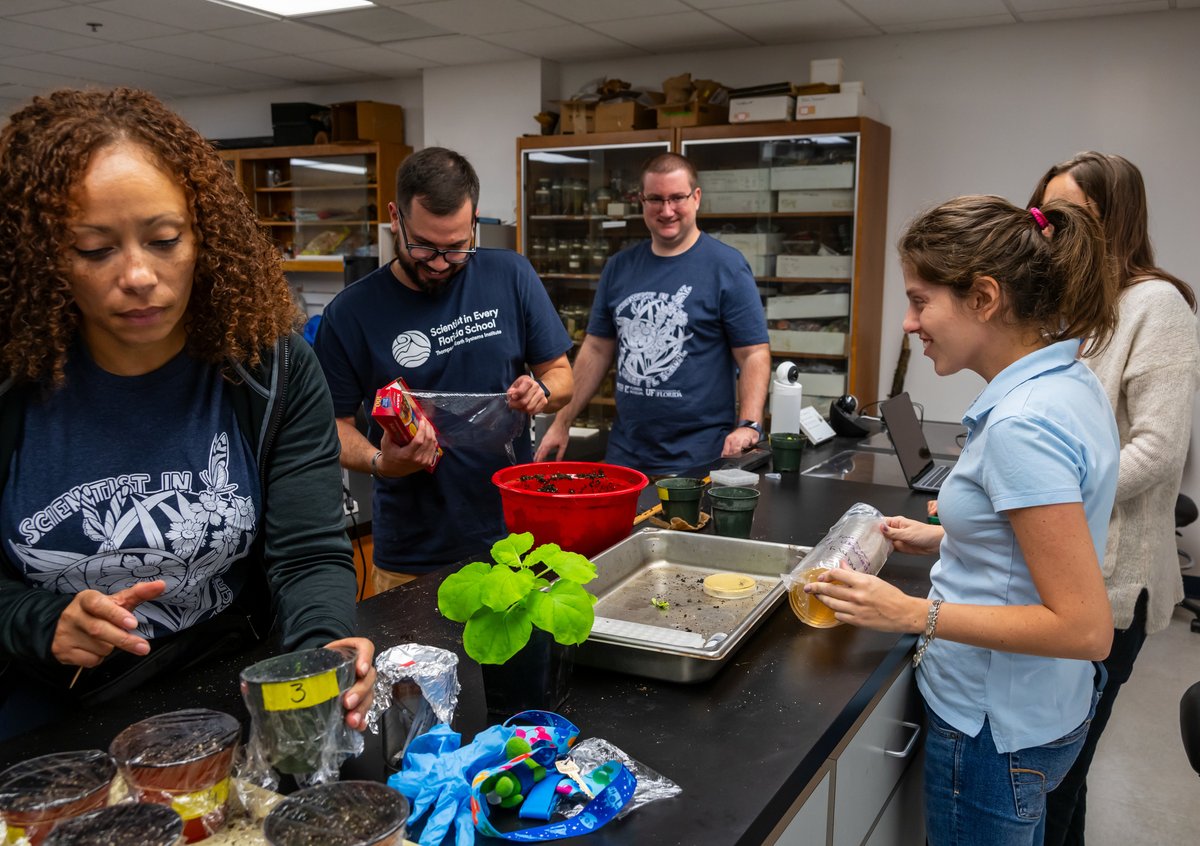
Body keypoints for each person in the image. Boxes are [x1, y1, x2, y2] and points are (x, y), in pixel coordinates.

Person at [0, 88, 375, 740]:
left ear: (205, 237)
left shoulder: (269, 367)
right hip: (50, 722)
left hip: (227, 692)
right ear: (39, 257)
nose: (140, 274)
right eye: (94, 249)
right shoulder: (12, 382)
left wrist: (324, 649)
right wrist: (41, 619)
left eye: (164, 238)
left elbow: (307, 554)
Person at [805, 195, 1122, 846]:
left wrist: (908, 613)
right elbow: (1052, 530)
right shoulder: (1067, 380)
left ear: (983, 297)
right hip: (1044, 709)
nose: (908, 322)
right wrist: (951, 535)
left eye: (921, 301)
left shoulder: (1022, 425)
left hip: (991, 728)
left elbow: (1086, 628)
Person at [1029, 153, 1200, 846]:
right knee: (1057, 774)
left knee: (1053, 783)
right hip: (1056, 567)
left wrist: (1040, 496)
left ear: (1116, 223)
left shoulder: (1155, 306)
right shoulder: (1067, 305)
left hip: (1109, 582)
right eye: (1043, 217)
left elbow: (1157, 453)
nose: (1048, 235)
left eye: (1069, 219)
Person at [315, 147, 573, 588]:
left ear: (474, 222)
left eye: (456, 248)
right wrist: (381, 461)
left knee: (519, 656)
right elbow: (328, 429)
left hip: (516, 535)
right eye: (424, 247)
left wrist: (541, 393)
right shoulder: (351, 313)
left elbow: (562, 375)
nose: (438, 264)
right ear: (396, 217)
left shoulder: (510, 275)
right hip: (414, 551)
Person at [534, 152, 770, 477]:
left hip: (701, 456)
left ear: (696, 198)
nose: (667, 210)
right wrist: (563, 421)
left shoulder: (726, 267)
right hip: (626, 454)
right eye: (656, 199)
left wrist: (749, 424)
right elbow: (597, 349)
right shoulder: (619, 267)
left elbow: (754, 353)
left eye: (677, 198)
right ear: (642, 201)